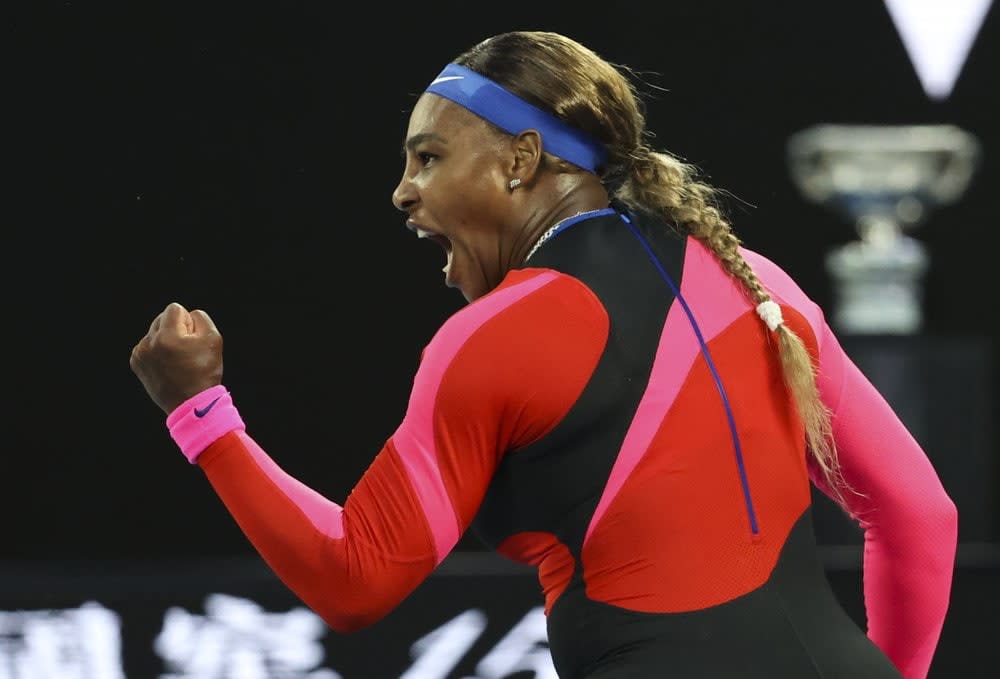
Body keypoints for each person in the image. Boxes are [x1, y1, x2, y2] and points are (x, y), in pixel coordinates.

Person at [129, 30, 959, 679]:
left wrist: (200, 412)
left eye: (428, 157)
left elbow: (354, 578)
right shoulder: (763, 286)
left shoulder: (497, 335)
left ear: (521, 161)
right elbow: (922, 518)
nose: (403, 190)